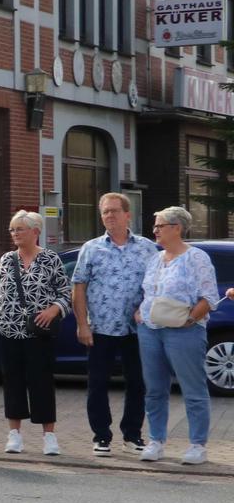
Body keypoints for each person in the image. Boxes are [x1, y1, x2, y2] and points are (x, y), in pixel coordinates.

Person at [72, 193, 157, 456]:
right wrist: (82, 325)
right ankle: (101, 436)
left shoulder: (147, 248)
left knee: (137, 383)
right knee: (97, 383)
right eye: (105, 212)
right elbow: (78, 288)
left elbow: (157, 287)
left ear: (127, 214)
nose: (109, 216)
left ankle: (132, 436)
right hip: (101, 328)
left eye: (114, 211)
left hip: (137, 329)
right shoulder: (91, 248)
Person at [0, 211, 72, 456]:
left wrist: (53, 310)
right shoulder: (6, 259)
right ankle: (14, 434)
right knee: (12, 380)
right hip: (7, 330)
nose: (15, 234)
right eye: (12, 229)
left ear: (35, 231)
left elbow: (65, 294)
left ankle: (49, 436)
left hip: (39, 332)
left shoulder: (50, 259)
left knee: (41, 381)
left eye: (20, 229)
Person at [137, 206, 216, 465]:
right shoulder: (155, 259)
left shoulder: (197, 257)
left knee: (193, 389)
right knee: (154, 389)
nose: (155, 230)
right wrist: (140, 313)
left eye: (160, 226)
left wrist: (190, 319)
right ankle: (156, 441)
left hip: (184, 331)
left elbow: (209, 296)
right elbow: (149, 292)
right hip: (150, 330)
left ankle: (197, 445)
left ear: (177, 228)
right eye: (155, 226)